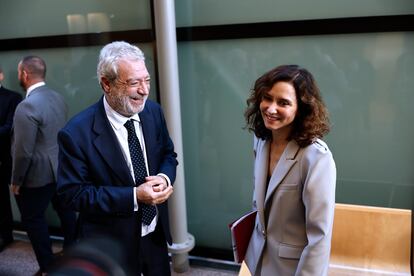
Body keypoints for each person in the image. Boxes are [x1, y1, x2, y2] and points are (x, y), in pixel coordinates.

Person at [56, 41, 177, 275]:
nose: (144, 90)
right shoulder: (76, 133)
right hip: (111, 246)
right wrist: (135, 196)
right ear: (106, 84)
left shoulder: (152, 111)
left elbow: (167, 154)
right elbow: (72, 194)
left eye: (147, 80)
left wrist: (163, 177)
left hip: (154, 236)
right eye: (134, 82)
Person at [244, 65, 336, 275]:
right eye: (267, 98)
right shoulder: (261, 139)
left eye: (283, 103)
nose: (271, 108)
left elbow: (320, 236)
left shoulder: (316, 157)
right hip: (257, 258)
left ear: (301, 109)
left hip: (291, 268)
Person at [10, 56, 77, 275]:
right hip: (61, 169)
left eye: (19, 73)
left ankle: (48, 268)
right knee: (66, 212)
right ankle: (73, 254)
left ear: (24, 74)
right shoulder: (58, 97)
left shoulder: (26, 106)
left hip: (36, 175)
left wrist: (16, 181)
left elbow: (23, 152)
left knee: (33, 220)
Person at [0, 66, 22, 252]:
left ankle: (5, 236)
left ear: (1, 75)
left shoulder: (13, 98)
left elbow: (9, 127)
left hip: (2, 157)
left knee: (1, 199)